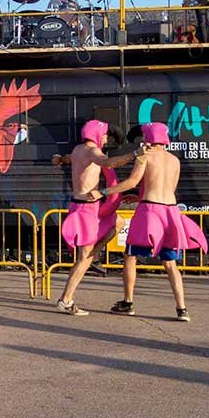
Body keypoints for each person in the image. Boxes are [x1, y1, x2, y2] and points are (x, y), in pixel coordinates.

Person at [91, 122, 208, 322]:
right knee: (170, 263)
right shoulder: (174, 160)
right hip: (170, 212)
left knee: (130, 256)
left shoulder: (145, 156)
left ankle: (128, 302)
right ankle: (182, 308)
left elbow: (132, 182)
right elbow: (167, 188)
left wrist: (103, 192)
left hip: (149, 212)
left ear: (149, 137)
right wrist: (139, 196)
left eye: (144, 136)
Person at [50, 120, 142, 315]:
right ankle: (66, 300)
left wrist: (59, 159)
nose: (106, 138)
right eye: (105, 135)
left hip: (86, 207)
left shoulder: (78, 150)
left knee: (118, 221)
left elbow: (67, 158)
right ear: (97, 134)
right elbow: (109, 163)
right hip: (86, 210)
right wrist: (135, 153)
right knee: (83, 258)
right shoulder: (93, 151)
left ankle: (95, 253)